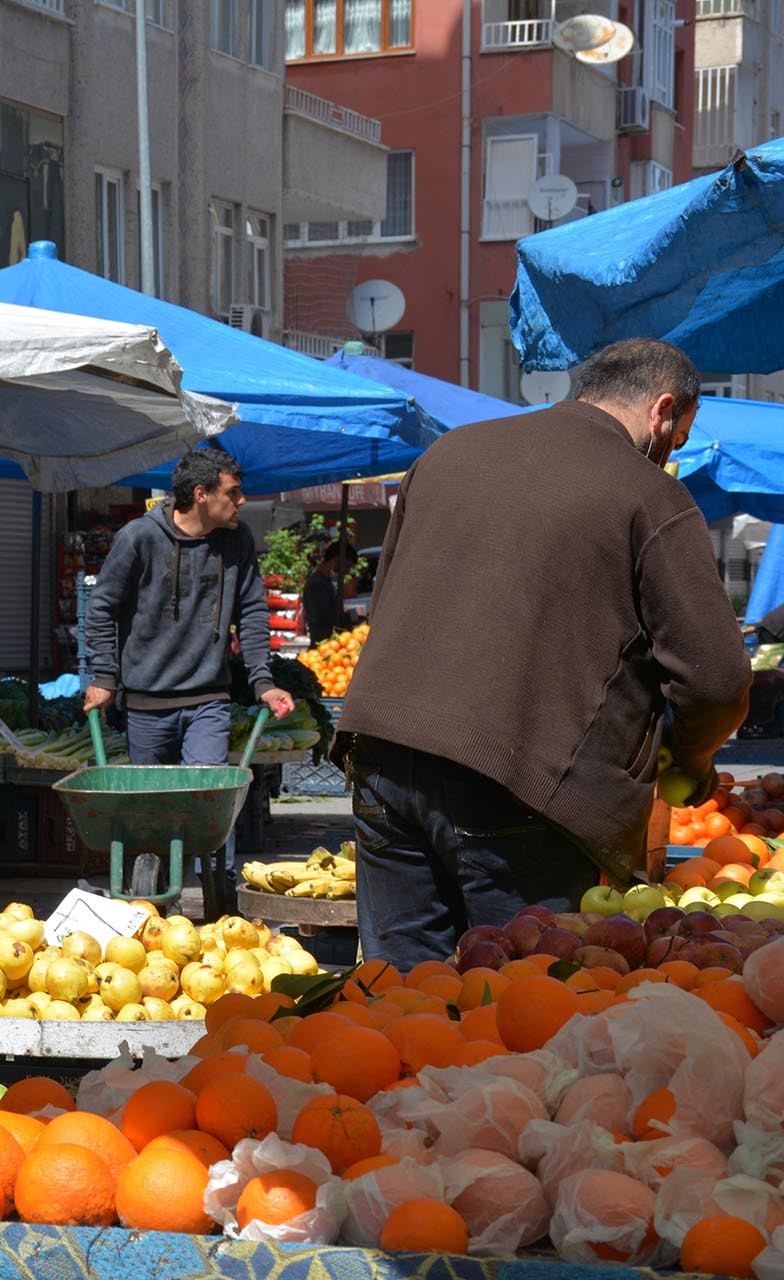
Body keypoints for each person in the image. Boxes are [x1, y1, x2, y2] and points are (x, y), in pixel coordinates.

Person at [335, 338, 750, 967]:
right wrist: (688, 757)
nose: (674, 453)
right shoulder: (649, 493)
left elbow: (388, 595)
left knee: (399, 1006)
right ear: (662, 410)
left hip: (381, 756)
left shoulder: (448, 454)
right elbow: (717, 680)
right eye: (680, 436)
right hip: (519, 778)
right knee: (524, 1010)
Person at [82, 450, 295, 894]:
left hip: (208, 701)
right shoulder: (139, 538)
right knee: (150, 818)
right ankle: (151, 901)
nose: (241, 501)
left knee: (209, 803)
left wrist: (264, 683)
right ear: (200, 494)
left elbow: (253, 613)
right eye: (232, 493)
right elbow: (101, 609)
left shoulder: (236, 542)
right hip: (146, 703)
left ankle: (220, 886)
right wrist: (104, 678)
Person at [301, 548, 346, 646]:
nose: (346, 571)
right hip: (323, 645)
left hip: (329, 644)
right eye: (347, 566)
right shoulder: (318, 584)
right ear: (335, 560)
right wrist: (346, 618)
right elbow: (322, 615)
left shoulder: (326, 582)